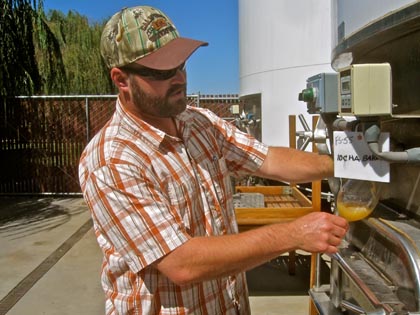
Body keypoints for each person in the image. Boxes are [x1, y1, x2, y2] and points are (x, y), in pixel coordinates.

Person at [79, 5, 348, 315]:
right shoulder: (111, 161)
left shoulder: (199, 123)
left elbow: (269, 159)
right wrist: (294, 234)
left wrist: (346, 163)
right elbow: (181, 262)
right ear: (122, 79)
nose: (180, 77)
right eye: (164, 71)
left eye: (181, 64)